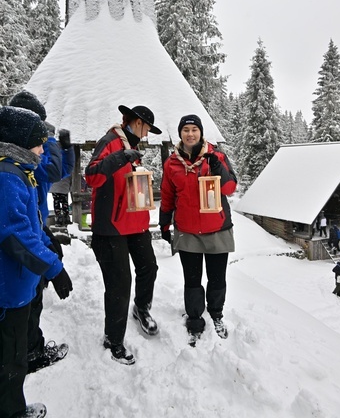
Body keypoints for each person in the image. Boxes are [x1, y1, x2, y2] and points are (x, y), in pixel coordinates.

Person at [0, 106, 72, 418]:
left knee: (14, 353)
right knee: (10, 359)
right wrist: (54, 268)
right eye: (38, 142)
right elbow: (15, 235)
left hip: (18, 284)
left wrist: (49, 250)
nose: (43, 148)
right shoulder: (7, 177)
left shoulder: (19, 171)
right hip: (8, 289)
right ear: (20, 141)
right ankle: (12, 412)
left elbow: (31, 225)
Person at [85, 105, 162, 365]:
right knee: (119, 284)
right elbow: (92, 176)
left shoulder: (133, 146)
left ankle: (141, 308)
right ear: (135, 122)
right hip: (111, 228)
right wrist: (120, 157)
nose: (147, 133)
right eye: (146, 128)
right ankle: (113, 340)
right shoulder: (110, 141)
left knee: (149, 267)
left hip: (136, 223)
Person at [159, 114, 237, 345]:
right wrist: (165, 222)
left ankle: (216, 313)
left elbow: (230, 187)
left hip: (217, 229)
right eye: (186, 130)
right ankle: (194, 318)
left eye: (194, 129)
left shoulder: (216, 157)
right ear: (180, 134)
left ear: (201, 133)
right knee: (192, 280)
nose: (190, 134)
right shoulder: (172, 163)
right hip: (187, 230)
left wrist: (217, 168)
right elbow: (167, 195)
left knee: (216, 278)